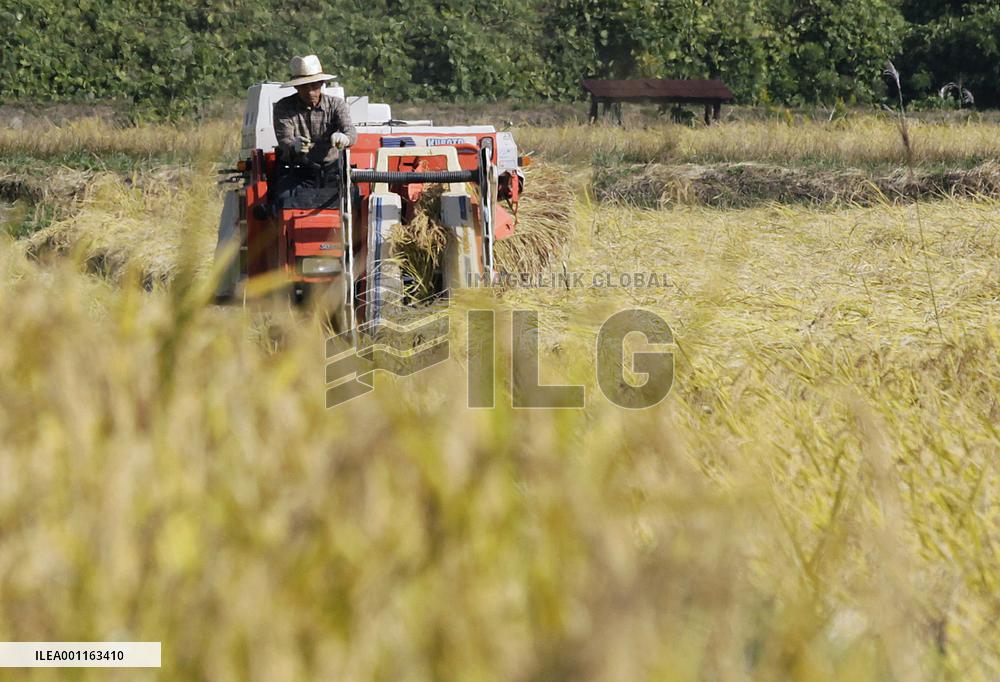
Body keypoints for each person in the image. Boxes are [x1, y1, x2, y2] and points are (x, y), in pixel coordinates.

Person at [272, 55, 357, 206]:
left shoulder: (336, 105)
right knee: (283, 199)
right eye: (304, 87)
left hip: (333, 170)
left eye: (314, 86)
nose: (310, 92)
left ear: (322, 84)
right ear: (296, 87)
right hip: (297, 171)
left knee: (353, 199)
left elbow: (350, 130)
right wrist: (295, 146)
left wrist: (345, 138)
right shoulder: (283, 107)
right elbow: (284, 140)